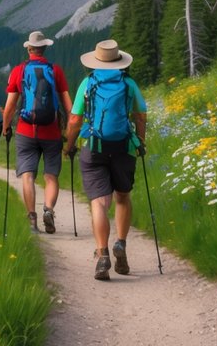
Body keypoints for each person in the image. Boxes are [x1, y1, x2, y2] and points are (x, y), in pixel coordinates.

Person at [64, 39, 148, 280]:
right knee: (122, 197)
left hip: (94, 147)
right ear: (119, 62)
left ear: (96, 61)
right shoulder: (129, 83)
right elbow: (140, 115)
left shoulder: (88, 83)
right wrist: (140, 142)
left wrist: (69, 146)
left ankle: (102, 255)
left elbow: (74, 120)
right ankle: (120, 243)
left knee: (99, 203)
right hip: (124, 147)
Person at [2, 30, 74, 235]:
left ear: (29, 49)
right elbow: (68, 106)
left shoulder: (19, 71)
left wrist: (5, 127)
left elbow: (9, 107)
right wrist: (69, 132)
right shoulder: (55, 70)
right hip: (51, 131)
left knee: (27, 176)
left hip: (25, 130)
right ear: (45, 48)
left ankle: (32, 219)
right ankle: (48, 210)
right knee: (51, 176)